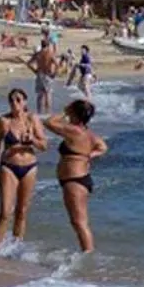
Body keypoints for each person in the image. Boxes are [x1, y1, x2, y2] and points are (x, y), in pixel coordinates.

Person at [43, 98, 107, 253]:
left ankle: (88, 256)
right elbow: (103, 147)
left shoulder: (74, 131)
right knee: (79, 222)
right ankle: (87, 253)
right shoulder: (88, 133)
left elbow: (49, 122)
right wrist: (89, 155)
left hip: (74, 181)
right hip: (78, 179)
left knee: (79, 223)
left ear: (74, 113)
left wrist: (64, 112)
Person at [0, 87, 46, 248]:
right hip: (8, 167)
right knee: (5, 212)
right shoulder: (3, 121)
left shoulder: (32, 119)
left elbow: (44, 145)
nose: (15, 103)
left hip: (29, 167)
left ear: (25, 102)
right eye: (11, 100)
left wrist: (32, 140)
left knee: (22, 211)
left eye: (18, 100)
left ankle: (15, 247)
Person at [30, 37, 62, 114]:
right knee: (48, 94)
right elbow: (57, 65)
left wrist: (34, 70)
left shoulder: (37, 54)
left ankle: (39, 112)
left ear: (41, 45)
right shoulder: (50, 54)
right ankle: (48, 113)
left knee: (40, 95)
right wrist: (54, 73)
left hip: (39, 74)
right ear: (48, 45)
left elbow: (29, 63)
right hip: (48, 75)